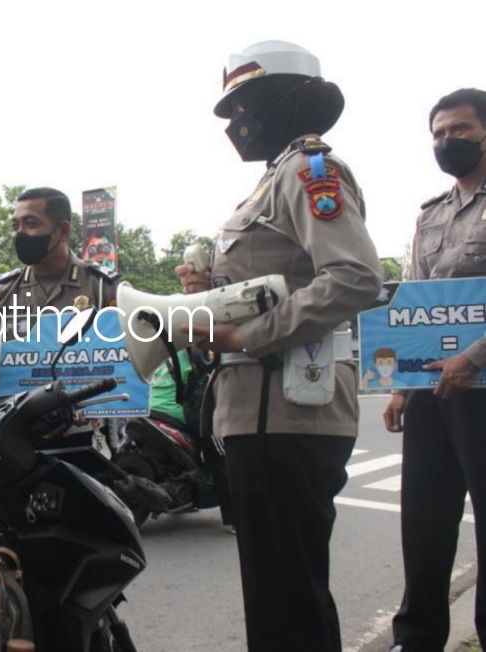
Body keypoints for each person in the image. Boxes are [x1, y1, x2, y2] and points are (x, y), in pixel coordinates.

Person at [176, 41, 382, 651]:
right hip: (262, 409)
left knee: (287, 596)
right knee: (281, 593)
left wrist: (248, 334)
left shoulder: (307, 170)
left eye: (245, 105)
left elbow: (354, 276)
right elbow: (274, 283)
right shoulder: (273, 180)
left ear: (284, 101)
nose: (236, 124)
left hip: (288, 408)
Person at [384, 88, 486, 652]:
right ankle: (416, 637)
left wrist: (472, 360)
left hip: (483, 385)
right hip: (429, 389)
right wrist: (401, 386)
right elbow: (413, 301)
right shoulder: (431, 215)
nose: (448, 142)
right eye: (440, 134)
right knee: (423, 519)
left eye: (461, 130)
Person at [0, 186, 119, 378]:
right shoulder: (4, 291)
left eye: (31, 224)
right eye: (15, 226)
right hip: (23, 405)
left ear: (63, 231)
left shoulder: (103, 287)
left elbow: (134, 357)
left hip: (84, 405)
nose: (20, 234)